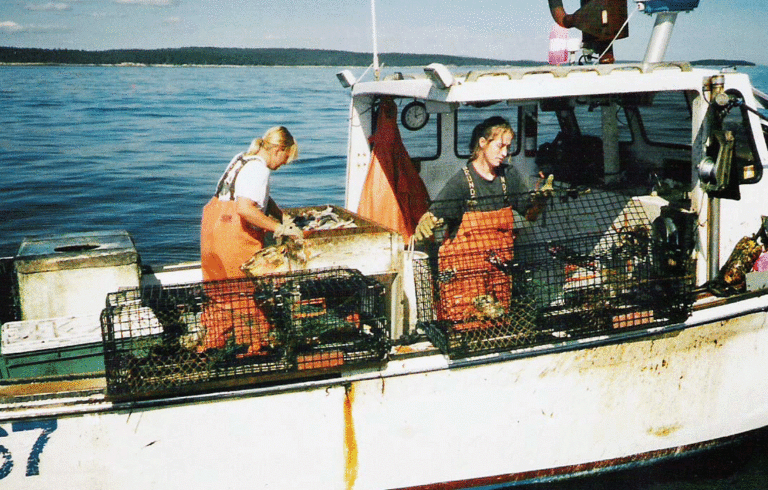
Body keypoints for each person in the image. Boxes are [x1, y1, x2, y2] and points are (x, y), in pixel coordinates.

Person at [412, 116, 552, 325]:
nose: (505, 153)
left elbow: (530, 215)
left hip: (498, 272)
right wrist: (426, 223)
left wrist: (540, 200)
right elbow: (434, 215)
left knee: (498, 320)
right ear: (482, 143)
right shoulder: (461, 181)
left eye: (508, 147)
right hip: (465, 275)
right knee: (465, 322)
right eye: (500, 146)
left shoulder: (509, 177)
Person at [200, 126, 302, 281]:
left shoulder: (242, 158)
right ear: (279, 150)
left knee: (217, 292)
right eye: (286, 157)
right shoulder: (259, 169)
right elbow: (245, 209)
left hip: (212, 232)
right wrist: (280, 229)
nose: (284, 163)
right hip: (233, 239)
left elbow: (250, 195)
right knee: (244, 291)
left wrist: (280, 215)